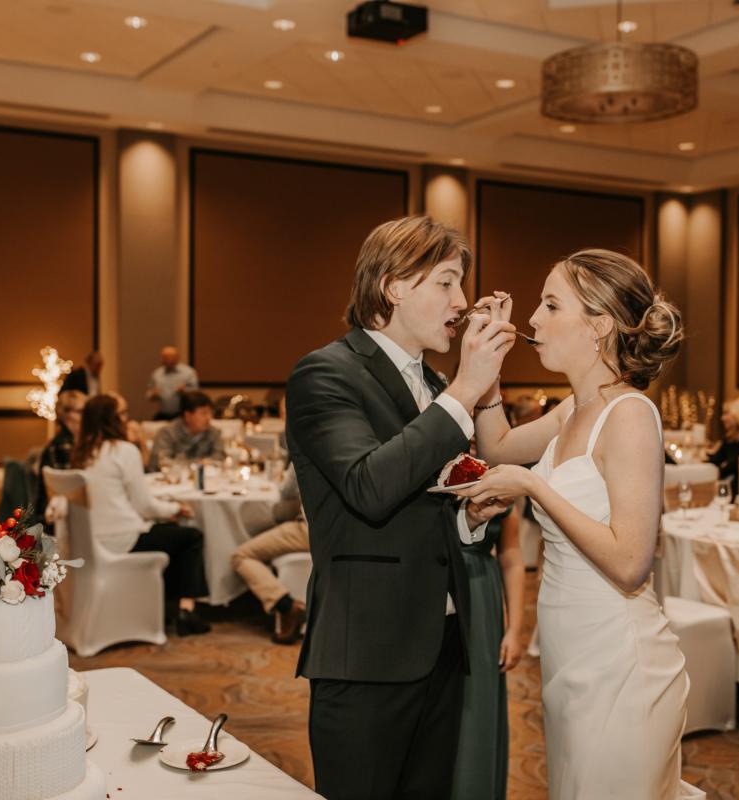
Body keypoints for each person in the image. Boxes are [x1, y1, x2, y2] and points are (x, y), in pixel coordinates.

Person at [457, 249, 702, 799]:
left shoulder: (630, 415)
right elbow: (498, 447)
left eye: (550, 305)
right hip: (570, 654)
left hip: (620, 660)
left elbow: (631, 564)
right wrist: (488, 373)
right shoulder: (573, 409)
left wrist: (534, 487)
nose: (533, 319)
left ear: (599, 326)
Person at [286, 215, 515, 800]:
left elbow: (425, 500)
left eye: (461, 285)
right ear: (392, 286)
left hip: (443, 642)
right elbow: (369, 486)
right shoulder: (326, 372)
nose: (461, 302)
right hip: (366, 651)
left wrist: (468, 520)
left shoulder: (434, 385)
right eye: (446, 283)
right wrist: (466, 390)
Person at [70, 393, 211, 636]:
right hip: (122, 539)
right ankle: (186, 610)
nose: (128, 419)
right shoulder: (123, 451)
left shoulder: (81, 453)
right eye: (123, 413)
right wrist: (175, 509)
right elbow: (143, 506)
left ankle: (168, 607)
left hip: (89, 540)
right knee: (191, 537)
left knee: (170, 534)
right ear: (111, 419)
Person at [450, 496, 526, 800]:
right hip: (433, 585)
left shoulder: (500, 481)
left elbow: (512, 557)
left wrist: (515, 629)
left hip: (480, 595)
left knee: (476, 703)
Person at [230, 464, 309, 644]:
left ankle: (287, 605)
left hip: (310, 531)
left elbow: (287, 494)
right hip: (346, 532)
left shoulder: (305, 451)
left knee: (241, 556)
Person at [35, 390, 86, 522]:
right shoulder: (63, 446)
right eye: (81, 411)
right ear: (65, 415)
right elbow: (74, 488)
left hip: (60, 515)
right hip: (59, 517)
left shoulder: (70, 441)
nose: (86, 417)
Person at [148, 391, 225, 465]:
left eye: (211, 413)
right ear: (187, 416)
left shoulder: (213, 432)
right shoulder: (167, 433)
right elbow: (161, 462)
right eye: (203, 413)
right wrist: (195, 465)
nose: (209, 418)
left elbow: (220, 457)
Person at [147, 346, 199, 420]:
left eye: (171, 357)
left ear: (177, 357)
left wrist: (185, 390)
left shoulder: (188, 373)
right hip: (163, 414)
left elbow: (196, 392)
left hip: (181, 414)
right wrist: (153, 394)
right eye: (165, 357)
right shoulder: (157, 374)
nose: (168, 360)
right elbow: (149, 393)